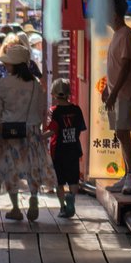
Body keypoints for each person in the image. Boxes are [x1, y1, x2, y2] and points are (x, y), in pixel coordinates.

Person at [0, 35, 51, 223]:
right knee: (33, 167)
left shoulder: (5, 83)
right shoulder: (35, 85)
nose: (6, 66)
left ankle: (15, 208)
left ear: (14, 64)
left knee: (10, 169)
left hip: (8, 131)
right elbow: (41, 110)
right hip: (31, 131)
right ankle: (33, 197)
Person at [99, 1, 131, 192]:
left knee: (123, 131)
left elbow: (126, 67)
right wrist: (108, 90)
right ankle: (127, 174)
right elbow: (117, 67)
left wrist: (115, 92)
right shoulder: (118, 36)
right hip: (117, 94)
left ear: (115, 15)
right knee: (120, 133)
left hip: (126, 94)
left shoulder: (126, 35)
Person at [49, 79, 88, 219]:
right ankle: (71, 197)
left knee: (59, 181)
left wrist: (39, 137)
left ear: (53, 94)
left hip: (58, 151)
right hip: (73, 149)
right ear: (68, 93)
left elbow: (52, 131)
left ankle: (62, 207)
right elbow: (81, 128)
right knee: (73, 179)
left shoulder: (54, 111)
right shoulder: (76, 110)